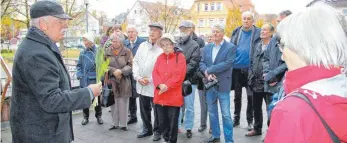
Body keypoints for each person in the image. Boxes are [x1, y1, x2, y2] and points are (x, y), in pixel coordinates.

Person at [10, 1, 102, 142]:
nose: (66, 26)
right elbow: (52, 100)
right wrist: (89, 92)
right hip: (42, 135)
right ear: (43, 24)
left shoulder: (39, 45)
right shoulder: (36, 53)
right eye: (60, 21)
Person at [265, 2, 347, 143]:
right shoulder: (340, 86)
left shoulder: (291, 111)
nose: (282, 55)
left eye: (283, 45)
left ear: (301, 47)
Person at [200, 24, 236, 143]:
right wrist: (207, 73)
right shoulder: (207, 47)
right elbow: (202, 63)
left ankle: (229, 140)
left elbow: (228, 63)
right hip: (210, 84)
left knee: (226, 114)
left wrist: (210, 69)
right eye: (213, 31)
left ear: (222, 33)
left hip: (223, 85)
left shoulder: (230, 47)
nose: (215, 34)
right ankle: (215, 135)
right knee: (212, 112)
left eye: (217, 32)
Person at [152, 33, 187, 143]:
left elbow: (179, 75)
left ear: (173, 45)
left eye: (168, 44)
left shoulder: (180, 57)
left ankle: (171, 141)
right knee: (162, 123)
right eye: (163, 45)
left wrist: (166, 85)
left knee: (172, 124)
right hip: (160, 96)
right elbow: (155, 72)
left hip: (173, 96)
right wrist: (159, 84)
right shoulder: (160, 57)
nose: (166, 47)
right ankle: (166, 139)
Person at [230, 11, 261, 130]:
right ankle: (236, 118)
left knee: (250, 96)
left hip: (250, 69)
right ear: (241, 20)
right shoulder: (236, 31)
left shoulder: (257, 32)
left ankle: (250, 120)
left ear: (252, 21)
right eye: (244, 18)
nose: (246, 21)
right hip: (237, 68)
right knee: (237, 96)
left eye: (249, 19)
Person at [132, 22, 163, 141]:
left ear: (160, 33)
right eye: (150, 30)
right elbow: (135, 62)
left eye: (155, 30)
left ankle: (157, 131)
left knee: (157, 110)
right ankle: (147, 129)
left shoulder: (161, 48)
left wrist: (150, 79)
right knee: (144, 109)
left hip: (154, 85)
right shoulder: (142, 46)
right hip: (141, 83)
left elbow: (162, 69)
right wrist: (138, 77)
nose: (151, 32)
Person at [246, 24, 274, 136]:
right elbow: (252, 62)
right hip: (256, 82)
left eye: (265, 30)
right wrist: (250, 76)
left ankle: (271, 132)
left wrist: (273, 77)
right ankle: (257, 129)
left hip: (269, 83)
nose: (262, 31)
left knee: (270, 109)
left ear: (271, 33)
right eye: (261, 29)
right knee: (256, 107)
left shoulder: (275, 46)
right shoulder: (257, 45)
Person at [176, 20, 200, 138]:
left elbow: (194, 62)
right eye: (181, 29)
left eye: (185, 29)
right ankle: (176, 126)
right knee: (177, 104)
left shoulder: (195, 45)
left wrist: (181, 73)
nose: (182, 31)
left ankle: (189, 127)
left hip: (190, 80)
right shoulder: (176, 43)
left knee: (189, 105)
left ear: (190, 30)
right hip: (177, 80)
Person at [105, 33, 133, 131]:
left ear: (121, 42)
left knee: (123, 102)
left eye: (115, 41)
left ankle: (124, 124)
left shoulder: (127, 51)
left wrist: (121, 71)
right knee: (113, 103)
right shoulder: (107, 51)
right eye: (112, 41)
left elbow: (131, 65)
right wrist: (114, 70)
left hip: (124, 79)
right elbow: (103, 65)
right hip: (112, 79)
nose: (113, 43)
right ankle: (114, 123)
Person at [77, 32, 103, 125]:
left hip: (94, 79)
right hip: (84, 80)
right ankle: (85, 117)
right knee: (85, 99)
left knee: (97, 100)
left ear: (91, 40)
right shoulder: (82, 52)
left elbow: (101, 66)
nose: (84, 42)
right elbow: (79, 65)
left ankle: (99, 116)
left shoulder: (98, 51)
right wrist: (79, 74)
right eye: (83, 40)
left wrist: (99, 76)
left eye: (86, 40)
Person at [262, 10, 292, 95]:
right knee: (270, 107)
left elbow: (289, 62)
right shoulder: (274, 39)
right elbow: (265, 58)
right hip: (270, 83)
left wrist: (273, 74)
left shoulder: (293, 40)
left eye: (282, 21)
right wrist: (267, 73)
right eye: (278, 21)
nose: (279, 24)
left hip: (284, 84)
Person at [123, 25, 146, 125]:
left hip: (141, 73)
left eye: (132, 32)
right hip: (129, 73)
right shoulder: (125, 43)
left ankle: (146, 119)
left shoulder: (143, 42)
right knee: (131, 95)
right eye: (129, 32)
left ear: (137, 33)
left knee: (143, 96)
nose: (130, 34)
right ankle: (133, 116)